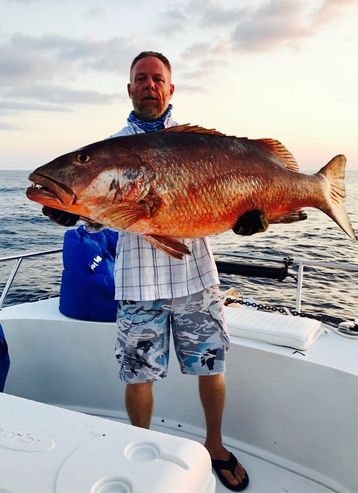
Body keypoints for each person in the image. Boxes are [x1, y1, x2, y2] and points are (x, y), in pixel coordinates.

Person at [43, 51, 267, 491]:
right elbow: (105, 209)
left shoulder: (202, 146)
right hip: (137, 284)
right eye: (140, 79)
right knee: (138, 374)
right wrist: (76, 211)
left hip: (197, 280)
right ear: (129, 89)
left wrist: (250, 219)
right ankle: (138, 446)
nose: (148, 85)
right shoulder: (112, 148)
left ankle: (216, 446)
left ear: (170, 88)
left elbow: (227, 200)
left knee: (211, 366)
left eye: (156, 78)